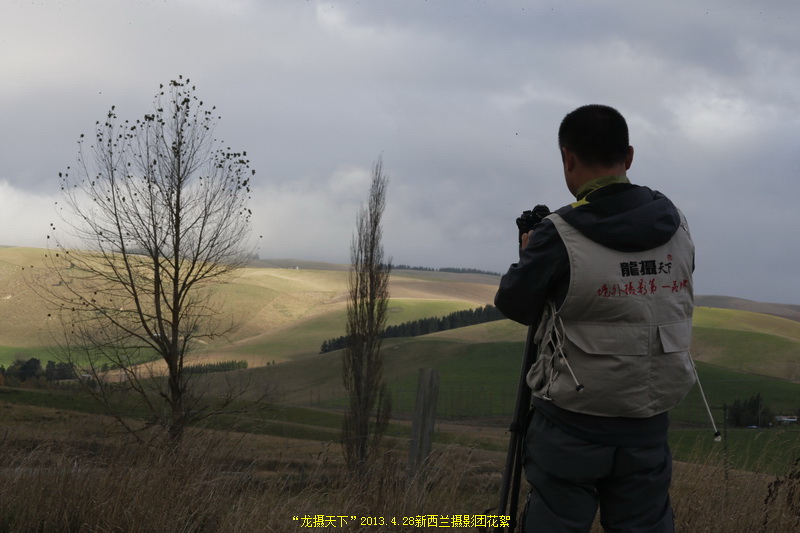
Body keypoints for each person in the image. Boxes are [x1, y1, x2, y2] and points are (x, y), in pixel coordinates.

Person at [494, 104, 696, 533]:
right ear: (629, 157)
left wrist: (531, 255)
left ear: (568, 158)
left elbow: (515, 304)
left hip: (571, 422)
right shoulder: (676, 224)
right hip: (648, 421)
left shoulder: (559, 232)